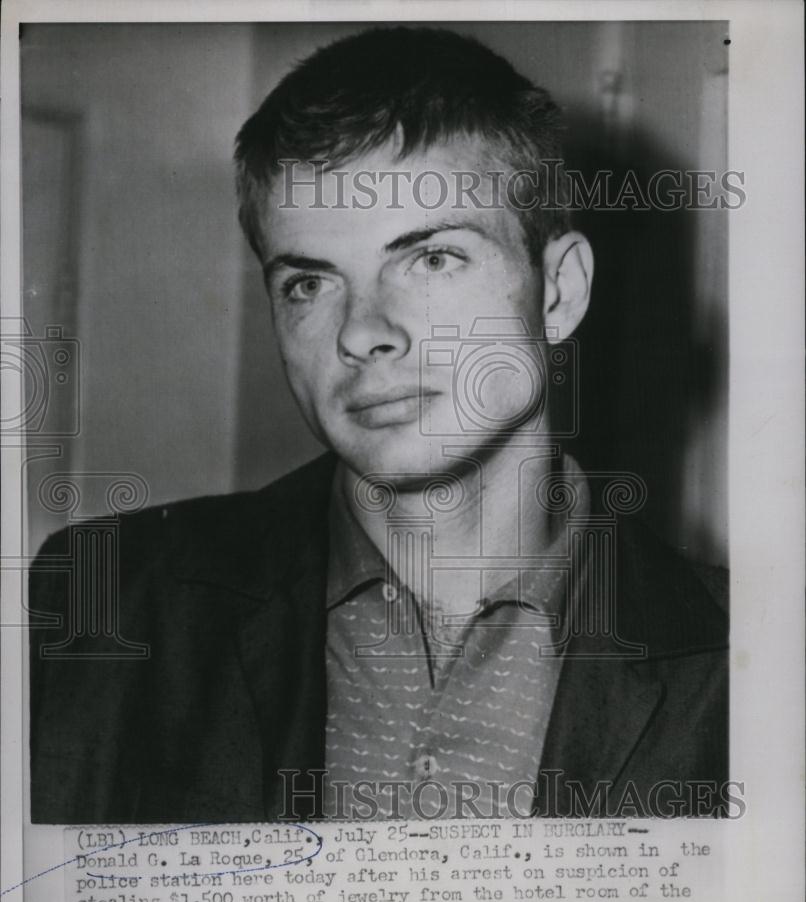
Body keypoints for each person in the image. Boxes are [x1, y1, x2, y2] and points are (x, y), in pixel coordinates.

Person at [29, 26, 728, 824]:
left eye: (430, 259)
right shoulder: (104, 604)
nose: (363, 331)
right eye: (308, 284)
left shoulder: (749, 661)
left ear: (559, 292)